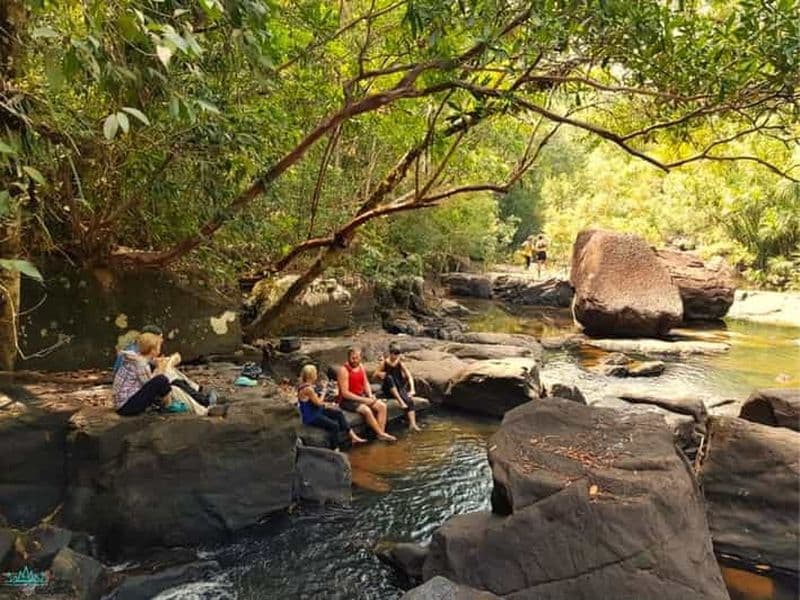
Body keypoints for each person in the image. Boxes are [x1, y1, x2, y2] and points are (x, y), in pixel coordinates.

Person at [297, 364, 366, 449]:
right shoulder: (308, 389)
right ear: (312, 375)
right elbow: (319, 402)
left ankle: (352, 436)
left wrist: (327, 404)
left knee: (338, 413)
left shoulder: (307, 385)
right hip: (311, 416)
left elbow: (315, 402)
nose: (317, 375)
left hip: (317, 410)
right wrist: (324, 391)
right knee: (334, 426)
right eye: (315, 373)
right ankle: (335, 448)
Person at [337, 347, 396, 442]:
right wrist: (364, 400)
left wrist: (370, 395)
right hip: (348, 400)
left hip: (361, 396)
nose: (354, 360)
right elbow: (345, 393)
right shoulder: (343, 370)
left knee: (382, 406)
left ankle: (380, 433)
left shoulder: (361, 366)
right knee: (366, 410)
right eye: (352, 358)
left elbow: (366, 383)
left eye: (356, 358)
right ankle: (381, 433)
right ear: (348, 357)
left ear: (360, 358)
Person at [113, 332, 176, 416]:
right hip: (125, 406)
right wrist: (160, 368)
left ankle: (165, 403)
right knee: (161, 380)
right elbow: (150, 384)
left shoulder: (138, 357)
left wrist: (164, 361)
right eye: (158, 346)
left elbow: (152, 361)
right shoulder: (141, 364)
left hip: (123, 402)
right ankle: (169, 405)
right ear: (153, 350)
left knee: (161, 379)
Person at [374, 343, 420, 432]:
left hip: (399, 387)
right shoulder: (385, 363)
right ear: (390, 353)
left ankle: (413, 424)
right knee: (389, 377)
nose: (396, 356)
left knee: (409, 401)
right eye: (394, 354)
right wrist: (380, 374)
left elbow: (409, 375)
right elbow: (374, 375)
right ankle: (400, 401)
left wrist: (412, 389)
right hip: (388, 388)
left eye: (397, 354)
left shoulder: (400, 362)